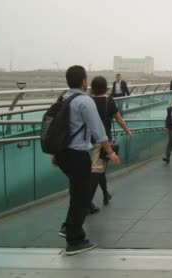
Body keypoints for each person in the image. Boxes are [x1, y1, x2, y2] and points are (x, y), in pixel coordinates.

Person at [55, 65, 120, 256]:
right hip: (77, 154)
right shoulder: (84, 101)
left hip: (63, 155)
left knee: (77, 194)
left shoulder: (63, 98)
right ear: (84, 81)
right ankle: (74, 240)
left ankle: (68, 228)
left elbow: (60, 129)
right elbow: (98, 131)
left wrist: (55, 154)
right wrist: (111, 153)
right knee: (82, 197)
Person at [89, 76, 132, 212]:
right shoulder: (109, 101)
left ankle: (105, 194)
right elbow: (119, 119)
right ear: (106, 87)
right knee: (97, 171)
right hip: (102, 142)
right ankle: (87, 202)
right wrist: (127, 131)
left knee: (100, 170)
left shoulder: (87, 101)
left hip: (86, 141)